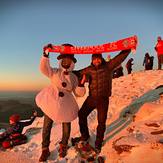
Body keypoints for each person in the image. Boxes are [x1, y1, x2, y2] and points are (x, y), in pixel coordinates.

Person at [35, 43, 86, 162]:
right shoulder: (54, 71)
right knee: (47, 126)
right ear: (62, 60)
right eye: (65, 59)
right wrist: (45, 55)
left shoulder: (74, 77)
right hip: (51, 101)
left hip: (66, 104)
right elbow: (43, 69)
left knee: (66, 126)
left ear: (72, 62)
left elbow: (78, 93)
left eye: (69, 60)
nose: (67, 62)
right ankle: (45, 149)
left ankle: (63, 145)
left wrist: (81, 85)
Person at [75, 49, 131, 153]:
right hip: (91, 98)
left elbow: (119, 58)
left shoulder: (108, 66)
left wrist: (128, 49)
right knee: (81, 114)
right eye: (94, 59)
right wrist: (66, 73)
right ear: (92, 60)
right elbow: (78, 73)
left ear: (101, 59)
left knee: (101, 122)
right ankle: (85, 136)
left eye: (98, 59)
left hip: (103, 100)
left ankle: (98, 143)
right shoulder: (89, 69)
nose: (96, 61)